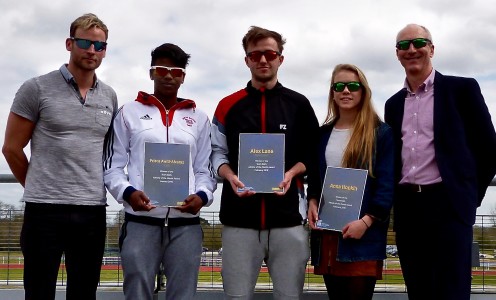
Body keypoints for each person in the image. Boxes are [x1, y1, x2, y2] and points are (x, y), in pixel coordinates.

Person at [1, 13, 117, 300]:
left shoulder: (110, 97)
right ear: (69, 43)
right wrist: (38, 185)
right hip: (44, 210)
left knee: (84, 293)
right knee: (39, 292)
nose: (92, 51)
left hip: (92, 210)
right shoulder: (36, 88)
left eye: (99, 46)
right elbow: (11, 148)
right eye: (84, 42)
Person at [384, 24, 496, 300]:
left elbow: (489, 150)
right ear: (397, 54)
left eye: (418, 42)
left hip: (449, 206)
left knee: (452, 292)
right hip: (409, 209)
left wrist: (468, 198)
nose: (411, 49)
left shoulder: (462, 89)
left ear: (431, 49)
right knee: (419, 290)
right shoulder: (393, 104)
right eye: (403, 45)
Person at [210, 26, 320, 299]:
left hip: (288, 221)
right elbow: (215, 154)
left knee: (289, 296)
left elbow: (313, 155)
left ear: (280, 58)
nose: (263, 60)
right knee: (237, 296)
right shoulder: (227, 105)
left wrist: (292, 172)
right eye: (255, 54)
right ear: (246, 59)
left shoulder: (299, 104)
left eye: (270, 53)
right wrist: (229, 175)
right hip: (239, 221)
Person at [103, 43, 216, 300]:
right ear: (151, 72)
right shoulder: (127, 113)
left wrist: (202, 195)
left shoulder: (199, 118)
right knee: (138, 292)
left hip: (186, 225)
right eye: (162, 69)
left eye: (176, 71)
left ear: (183, 77)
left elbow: (204, 169)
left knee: (183, 294)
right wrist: (128, 192)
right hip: (141, 222)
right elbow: (112, 166)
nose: (168, 75)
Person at [307, 64, 394, 300]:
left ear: (363, 91)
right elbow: (315, 178)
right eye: (339, 86)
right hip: (329, 235)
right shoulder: (322, 134)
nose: (346, 91)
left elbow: (386, 187)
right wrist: (312, 201)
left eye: (353, 86)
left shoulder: (381, 133)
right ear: (332, 93)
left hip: (363, 236)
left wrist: (365, 222)